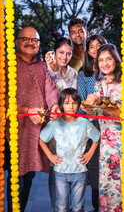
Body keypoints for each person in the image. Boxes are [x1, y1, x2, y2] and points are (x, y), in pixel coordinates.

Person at [5, 27, 60, 212]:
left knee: (29, 174)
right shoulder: (7, 64)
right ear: (17, 42)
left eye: (35, 40)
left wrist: (54, 106)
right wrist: (26, 110)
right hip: (16, 130)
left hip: (37, 130)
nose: (30, 42)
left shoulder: (41, 66)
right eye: (26, 39)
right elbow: (1, 96)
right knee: (17, 175)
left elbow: (50, 89)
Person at [81, 44, 124, 211]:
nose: (105, 63)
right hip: (106, 146)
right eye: (101, 60)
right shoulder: (99, 84)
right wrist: (88, 108)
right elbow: (96, 114)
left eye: (108, 59)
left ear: (116, 60)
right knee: (108, 187)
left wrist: (102, 105)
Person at [39, 88, 100, 212]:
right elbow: (42, 140)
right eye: (67, 103)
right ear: (61, 105)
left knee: (78, 207)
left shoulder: (84, 123)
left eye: (74, 103)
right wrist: (50, 156)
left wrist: (89, 153)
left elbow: (97, 138)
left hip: (80, 172)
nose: (71, 106)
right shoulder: (55, 123)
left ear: (78, 104)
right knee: (61, 206)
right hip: (61, 172)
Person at [45, 37, 78, 211]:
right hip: (55, 126)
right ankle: (56, 207)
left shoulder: (73, 73)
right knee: (55, 167)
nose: (64, 57)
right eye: (61, 53)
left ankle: (71, 205)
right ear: (54, 52)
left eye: (68, 53)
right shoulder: (48, 70)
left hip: (72, 126)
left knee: (72, 167)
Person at [77, 34, 107, 212]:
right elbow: (81, 104)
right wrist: (87, 108)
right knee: (95, 172)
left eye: (99, 45)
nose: (95, 49)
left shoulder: (114, 73)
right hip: (93, 127)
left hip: (114, 128)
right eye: (92, 47)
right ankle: (97, 207)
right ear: (88, 51)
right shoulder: (84, 75)